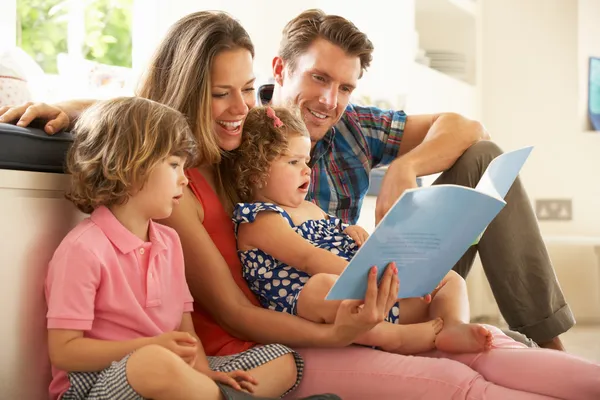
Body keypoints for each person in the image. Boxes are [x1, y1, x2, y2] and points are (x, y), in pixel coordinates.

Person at [3, 10, 600, 400]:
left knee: (491, 346)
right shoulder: (177, 188)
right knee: (458, 380)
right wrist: (77, 108)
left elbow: (166, 108)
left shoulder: (251, 134)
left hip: (334, 309)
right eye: (221, 94)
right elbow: (143, 114)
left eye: (245, 89)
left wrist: (405, 178)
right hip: (290, 334)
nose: (241, 106)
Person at [255, 9, 575, 351]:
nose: (330, 101)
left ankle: (546, 341)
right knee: (504, 345)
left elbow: (470, 128)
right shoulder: (244, 137)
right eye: (319, 78)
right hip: (315, 301)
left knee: (484, 156)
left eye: (345, 87)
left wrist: (405, 166)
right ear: (280, 69)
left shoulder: (353, 126)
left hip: (380, 281)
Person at [45, 96, 273, 400]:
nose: (183, 179)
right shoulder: (83, 250)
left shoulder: (169, 242)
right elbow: (64, 352)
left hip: (163, 374)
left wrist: (204, 373)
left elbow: (186, 333)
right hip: (93, 386)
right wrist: (148, 348)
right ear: (130, 166)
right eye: (174, 165)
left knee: (282, 358)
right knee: (154, 363)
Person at [230, 105, 505, 355]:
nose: (306, 170)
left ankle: (452, 326)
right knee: (322, 287)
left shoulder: (310, 207)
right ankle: (393, 337)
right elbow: (309, 259)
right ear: (256, 172)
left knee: (450, 278)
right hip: (321, 304)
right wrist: (376, 282)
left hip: (367, 294)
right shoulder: (260, 220)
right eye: (293, 162)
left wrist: (353, 233)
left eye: (307, 161)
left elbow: (339, 232)